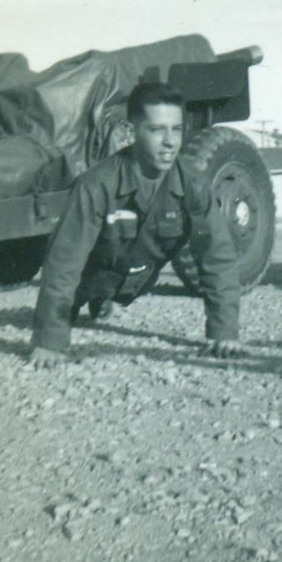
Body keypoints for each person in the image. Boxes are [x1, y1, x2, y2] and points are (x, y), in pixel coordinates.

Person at [29, 81, 242, 368]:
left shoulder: (193, 184)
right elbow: (64, 262)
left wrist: (223, 332)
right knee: (71, 309)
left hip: (135, 281)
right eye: (156, 130)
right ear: (131, 132)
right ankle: (95, 300)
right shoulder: (96, 185)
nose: (170, 142)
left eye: (176, 129)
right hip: (87, 280)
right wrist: (49, 342)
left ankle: (106, 301)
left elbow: (217, 255)